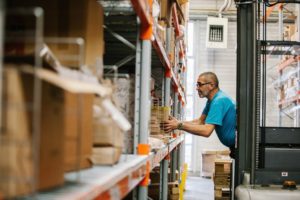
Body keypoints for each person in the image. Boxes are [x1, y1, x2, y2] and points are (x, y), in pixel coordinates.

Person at [163, 72, 236, 158]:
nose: (197, 88)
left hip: (238, 146)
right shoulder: (212, 101)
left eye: (200, 85)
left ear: (211, 85)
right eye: (197, 85)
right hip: (233, 146)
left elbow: (206, 131)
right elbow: (200, 121)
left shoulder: (218, 101)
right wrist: (178, 122)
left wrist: (179, 125)